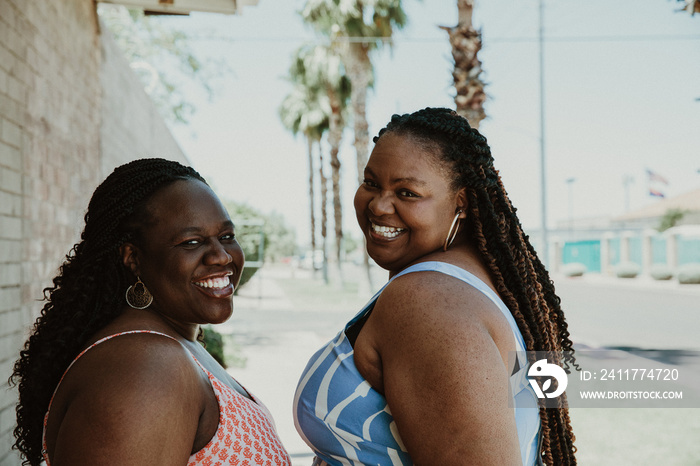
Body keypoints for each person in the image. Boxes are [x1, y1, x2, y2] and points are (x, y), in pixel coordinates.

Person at [293, 108, 577, 465]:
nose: (379, 205)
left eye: (408, 192)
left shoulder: (426, 300)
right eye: (370, 183)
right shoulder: (468, 280)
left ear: (461, 203)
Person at [10, 158, 291, 466]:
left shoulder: (172, 347)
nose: (221, 256)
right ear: (134, 258)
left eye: (226, 236)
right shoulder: (147, 367)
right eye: (192, 242)